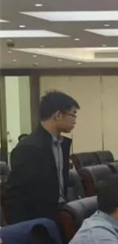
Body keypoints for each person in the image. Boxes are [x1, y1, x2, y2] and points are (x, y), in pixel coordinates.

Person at [4, 91, 78, 224]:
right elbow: (15, 195)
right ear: (58, 115)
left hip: (60, 213)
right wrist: (25, 229)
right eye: (73, 115)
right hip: (38, 220)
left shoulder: (62, 144)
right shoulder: (28, 148)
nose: (75, 121)